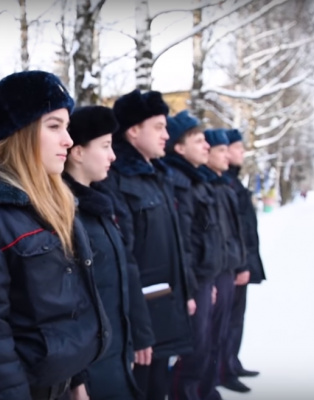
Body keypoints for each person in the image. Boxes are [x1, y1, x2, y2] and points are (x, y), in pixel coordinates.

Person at [0, 71, 110, 400]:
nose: (68, 139)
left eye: (66, 126)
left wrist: (77, 380)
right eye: (54, 126)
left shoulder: (58, 202)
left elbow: (71, 305)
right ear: (19, 134)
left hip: (62, 383)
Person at [102, 90, 194, 400]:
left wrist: (188, 291)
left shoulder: (159, 175)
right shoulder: (114, 178)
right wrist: (139, 329)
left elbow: (175, 245)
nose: (166, 135)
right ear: (133, 130)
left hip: (165, 309)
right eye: (158, 127)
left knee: (159, 388)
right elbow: (123, 260)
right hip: (139, 320)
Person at [63, 105, 155, 399]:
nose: (113, 155)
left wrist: (136, 335)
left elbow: (125, 271)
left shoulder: (101, 205)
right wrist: (77, 379)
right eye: (105, 146)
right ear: (77, 152)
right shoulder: (63, 213)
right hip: (91, 368)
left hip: (116, 353)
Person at [162, 111, 223, 400]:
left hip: (202, 280)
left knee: (201, 349)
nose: (207, 146)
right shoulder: (178, 183)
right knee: (191, 353)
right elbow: (182, 244)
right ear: (179, 147)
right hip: (192, 282)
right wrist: (189, 289)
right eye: (199, 141)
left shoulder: (194, 179)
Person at [198, 129, 247, 400]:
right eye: (220, 150)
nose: (227, 155)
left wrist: (239, 262)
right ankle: (204, 387)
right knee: (204, 340)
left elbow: (235, 231)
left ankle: (211, 385)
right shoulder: (208, 187)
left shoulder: (223, 187)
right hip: (213, 272)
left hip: (226, 267)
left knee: (219, 333)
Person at [219, 128, 266, 392]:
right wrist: (241, 265)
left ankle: (231, 362)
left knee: (237, 318)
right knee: (227, 320)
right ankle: (223, 369)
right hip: (235, 263)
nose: (240, 153)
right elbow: (231, 231)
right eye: (237, 148)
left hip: (243, 259)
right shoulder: (225, 183)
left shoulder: (235, 183)